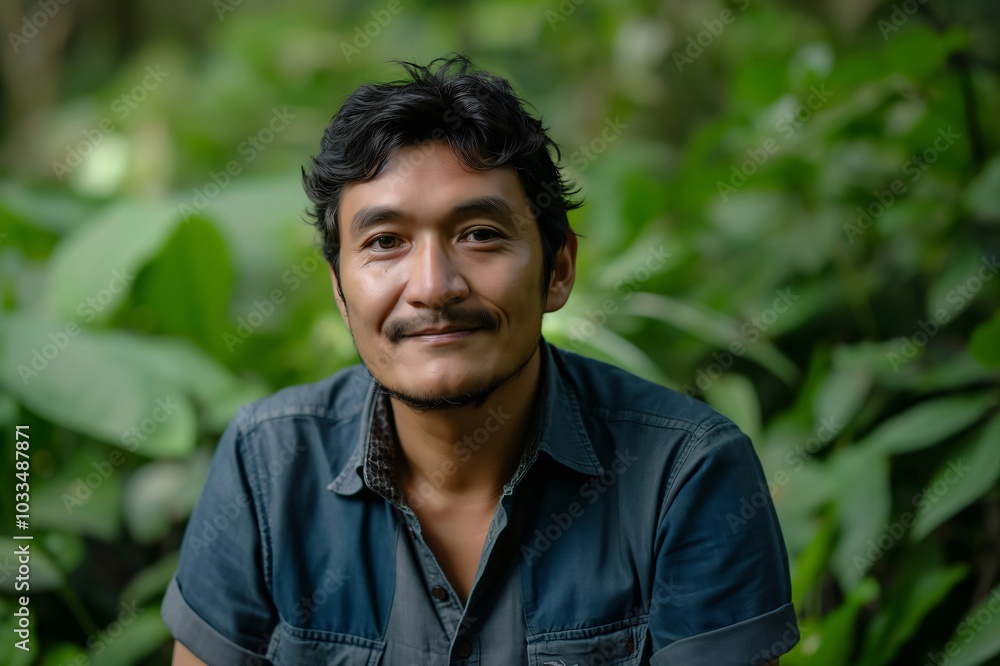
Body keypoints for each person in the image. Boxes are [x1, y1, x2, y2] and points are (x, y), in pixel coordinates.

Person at [163, 54, 799, 665]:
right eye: (385, 242)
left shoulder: (682, 476)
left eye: (480, 235)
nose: (434, 287)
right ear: (339, 288)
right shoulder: (269, 466)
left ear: (559, 269)